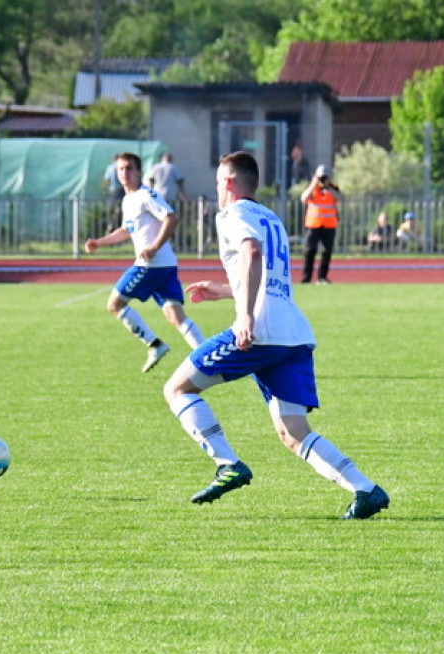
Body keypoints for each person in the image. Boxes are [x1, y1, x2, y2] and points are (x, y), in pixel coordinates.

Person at [161, 151, 390, 520]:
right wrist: (223, 290)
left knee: (176, 389)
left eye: (220, 182)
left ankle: (227, 463)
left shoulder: (232, 214)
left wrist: (245, 316)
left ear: (230, 183)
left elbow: (251, 252)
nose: (217, 188)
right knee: (292, 431)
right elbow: (268, 277)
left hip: (261, 331)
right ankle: (366, 490)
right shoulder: (271, 218)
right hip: (293, 334)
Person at [85, 152, 204, 373]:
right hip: (165, 265)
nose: (125, 173)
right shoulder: (128, 199)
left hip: (150, 265)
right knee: (175, 316)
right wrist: (99, 243)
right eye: (121, 169)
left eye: (129, 168)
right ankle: (207, 357)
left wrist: (154, 247)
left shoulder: (146, 195)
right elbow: (125, 231)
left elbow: (171, 217)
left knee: (115, 304)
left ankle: (154, 344)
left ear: (139, 171)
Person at [300, 164, 340, 284]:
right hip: (313, 225)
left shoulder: (334, 188)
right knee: (309, 251)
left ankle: (322, 277)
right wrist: (313, 184)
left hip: (329, 225)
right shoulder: (312, 188)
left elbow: (339, 198)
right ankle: (306, 278)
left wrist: (328, 187)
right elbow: (303, 198)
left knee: (326, 251)